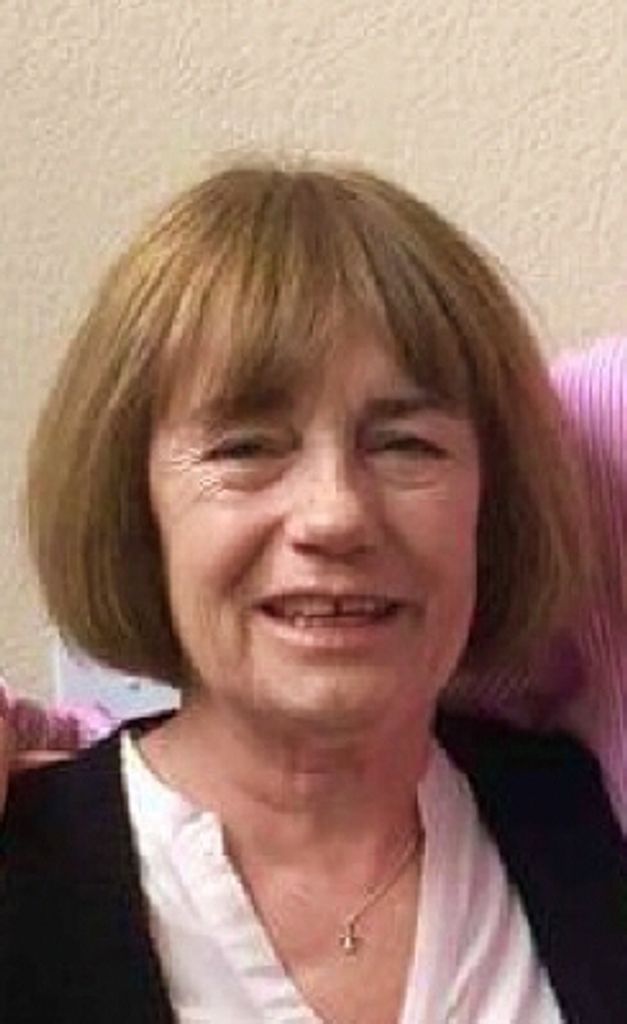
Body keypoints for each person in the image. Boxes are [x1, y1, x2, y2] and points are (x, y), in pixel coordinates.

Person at [2, 160, 626, 1023]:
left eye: (405, 445)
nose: (335, 515)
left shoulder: (581, 827)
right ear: (135, 506)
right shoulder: (26, 875)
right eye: (245, 448)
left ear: (491, 503)